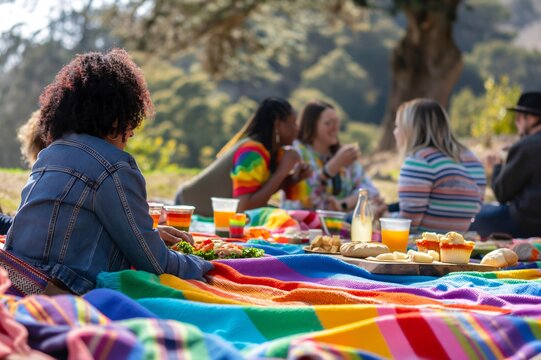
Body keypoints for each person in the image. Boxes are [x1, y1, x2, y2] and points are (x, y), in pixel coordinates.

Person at [4, 49, 212, 295]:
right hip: (63, 293)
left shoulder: (51, 153)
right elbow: (155, 262)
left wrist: (151, 236)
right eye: (131, 120)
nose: (133, 132)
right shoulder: (115, 168)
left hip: (14, 279)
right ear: (116, 117)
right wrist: (207, 264)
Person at [394, 98, 486, 233]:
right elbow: (476, 207)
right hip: (457, 245)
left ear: (410, 130)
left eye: (397, 126)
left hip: (422, 247)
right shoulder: (474, 161)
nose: (394, 132)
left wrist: (383, 216)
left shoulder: (418, 161)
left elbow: (409, 224)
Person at [283, 100, 383, 213]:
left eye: (336, 122)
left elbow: (370, 191)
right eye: (328, 123)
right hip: (302, 224)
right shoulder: (297, 152)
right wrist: (331, 168)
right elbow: (296, 198)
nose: (335, 128)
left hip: (338, 225)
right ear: (311, 125)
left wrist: (342, 204)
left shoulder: (344, 155)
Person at [470, 92, 541, 238]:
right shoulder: (525, 147)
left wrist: (496, 166)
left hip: (525, 222)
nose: (516, 124)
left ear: (532, 118)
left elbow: (502, 193)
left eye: (518, 118)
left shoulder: (525, 147)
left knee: (474, 215)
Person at [230, 97, 311, 212]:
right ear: (277, 124)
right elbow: (242, 208)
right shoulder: (251, 153)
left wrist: (292, 179)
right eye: (293, 124)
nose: (297, 130)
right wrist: (282, 170)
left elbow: (262, 192)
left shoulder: (270, 153)